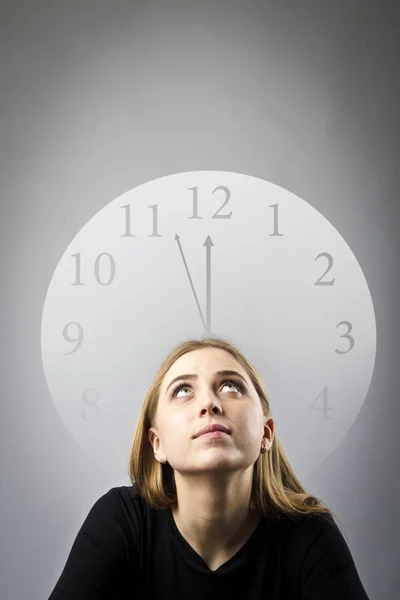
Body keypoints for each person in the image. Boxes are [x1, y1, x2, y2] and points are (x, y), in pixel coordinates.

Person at [48, 337, 370, 599]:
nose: (209, 404)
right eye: (183, 390)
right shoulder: (120, 521)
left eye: (231, 386)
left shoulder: (309, 534)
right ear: (156, 443)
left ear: (265, 433)